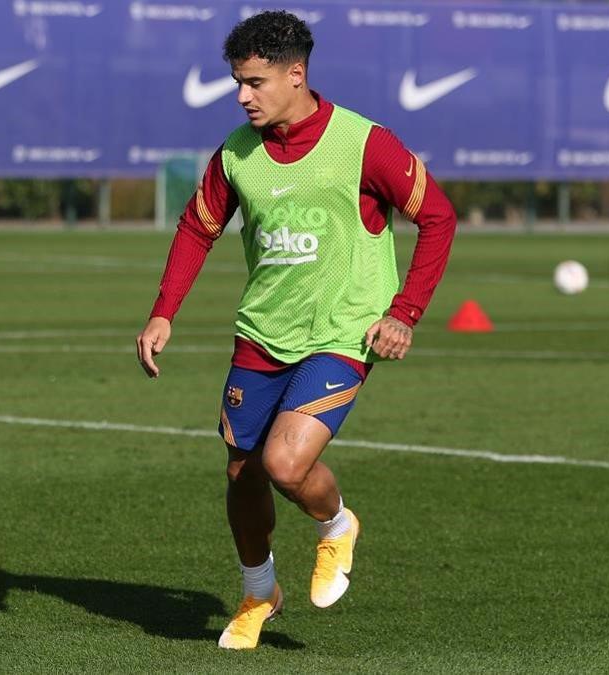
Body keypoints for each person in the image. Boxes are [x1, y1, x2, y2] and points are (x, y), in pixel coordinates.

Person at [135, 11, 455, 650]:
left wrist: (404, 312)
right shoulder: (235, 153)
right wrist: (164, 309)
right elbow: (199, 228)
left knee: (284, 462)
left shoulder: (364, 142)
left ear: (295, 74)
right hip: (261, 334)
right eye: (238, 82)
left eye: (254, 82)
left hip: (341, 333)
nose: (241, 95)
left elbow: (439, 218)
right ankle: (259, 592)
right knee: (242, 471)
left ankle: (336, 525)